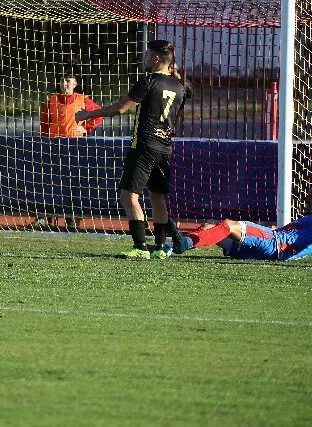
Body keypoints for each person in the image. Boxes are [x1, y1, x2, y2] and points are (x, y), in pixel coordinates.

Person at [76, 39, 190, 259]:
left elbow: (121, 108)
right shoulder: (179, 86)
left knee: (128, 195)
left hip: (145, 144)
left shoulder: (148, 81)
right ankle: (159, 248)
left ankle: (140, 246)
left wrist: (88, 114)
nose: (144, 58)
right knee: (158, 198)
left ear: (156, 58)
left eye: (148, 55)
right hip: (165, 148)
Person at [32, 72, 103, 230]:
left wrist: (86, 128)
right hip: (54, 146)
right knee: (49, 182)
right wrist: (44, 142)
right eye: (63, 81)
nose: (65, 84)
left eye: (68, 82)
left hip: (74, 146)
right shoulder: (51, 101)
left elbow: (99, 115)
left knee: (72, 183)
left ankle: (71, 218)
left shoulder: (83, 100)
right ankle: (44, 216)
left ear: (75, 84)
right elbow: (44, 124)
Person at [170, 215, 312, 261]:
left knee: (228, 225)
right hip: (259, 252)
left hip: (272, 241)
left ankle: (181, 244)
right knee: (208, 227)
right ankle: (169, 247)